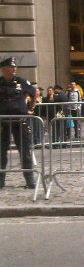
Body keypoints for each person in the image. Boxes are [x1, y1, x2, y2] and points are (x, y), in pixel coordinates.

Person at [0, 57, 36, 189]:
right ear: (3, 69)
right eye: (11, 67)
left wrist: (31, 108)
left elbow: (35, 93)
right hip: (3, 123)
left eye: (15, 66)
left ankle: (29, 180)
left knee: (25, 151)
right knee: (1, 152)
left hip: (20, 121)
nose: (14, 68)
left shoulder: (21, 81)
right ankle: (0, 181)